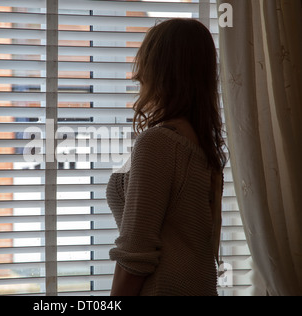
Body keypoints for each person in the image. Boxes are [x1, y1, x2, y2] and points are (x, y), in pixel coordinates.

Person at [107, 18, 227, 296]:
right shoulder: (201, 142)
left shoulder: (160, 143)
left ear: (162, 69)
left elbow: (135, 255)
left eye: (146, 61)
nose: (138, 75)